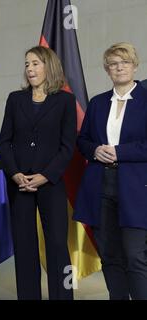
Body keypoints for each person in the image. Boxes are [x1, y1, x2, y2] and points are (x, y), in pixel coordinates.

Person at [0, 46, 76, 300]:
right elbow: (4, 142)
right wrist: (14, 173)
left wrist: (46, 175)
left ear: (49, 66)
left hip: (51, 183)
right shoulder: (15, 99)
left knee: (56, 246)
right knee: (25, 246)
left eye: (35, 63)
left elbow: (68, 146)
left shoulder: (64, 101)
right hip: (19, 183)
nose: (30, 69)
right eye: (27, 64)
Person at [74, 42, 147, 300]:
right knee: (109, 254)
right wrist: (95, 150)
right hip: (100, 185)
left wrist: (119, 152)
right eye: (113, 64)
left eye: (124, 62)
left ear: (134, 65)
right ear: (107, 69)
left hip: (137, 188)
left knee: (135, 254)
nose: (119, 67)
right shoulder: (98, 102)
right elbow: (82, 140)